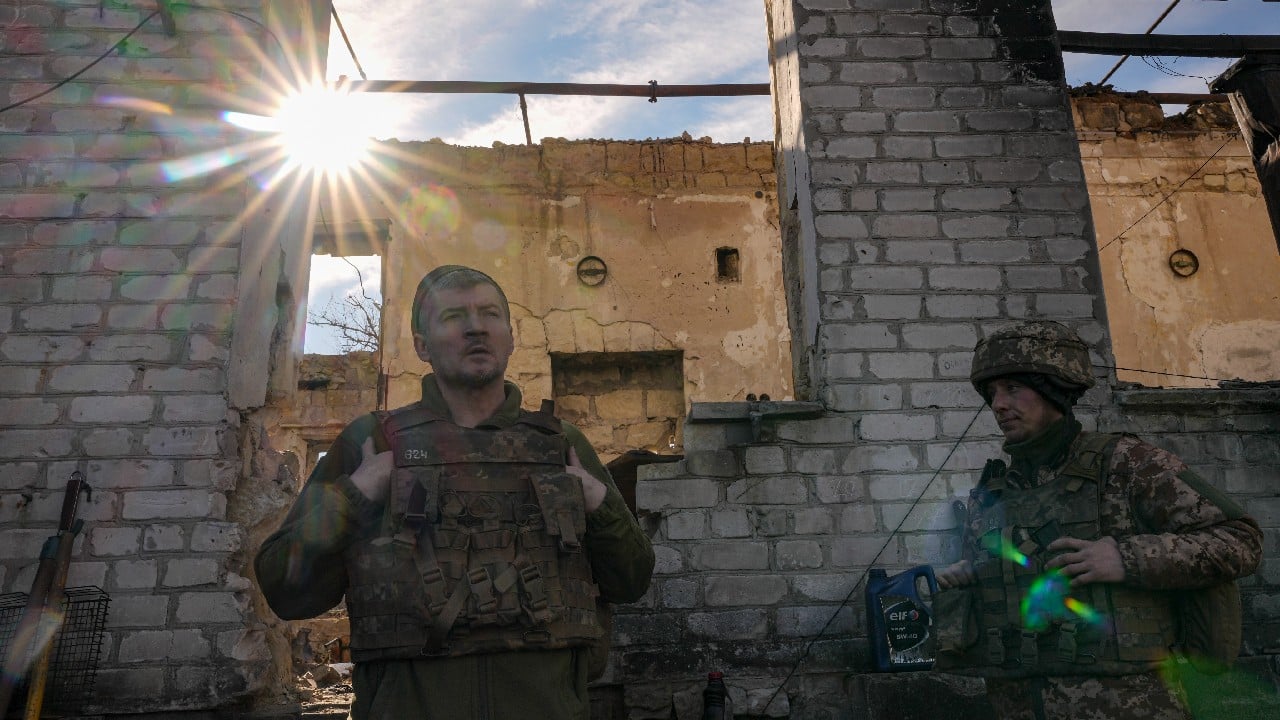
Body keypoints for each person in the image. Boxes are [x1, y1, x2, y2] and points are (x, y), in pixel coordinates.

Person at [256, 265, 655, 720]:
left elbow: (633, 579)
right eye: (453, 317)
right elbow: (286, 593)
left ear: (510, 337)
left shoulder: (560, 444)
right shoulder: (373, 442)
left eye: (489, 314)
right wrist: (356, 493)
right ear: (422, 345)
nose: (475, 327)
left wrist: (598, 505)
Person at [934, 320, 1262, 720]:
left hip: (1130, 704)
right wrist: (970, 576)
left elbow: (1240, 540)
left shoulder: (1126, 464)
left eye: (1014, 388)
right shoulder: (994, 490)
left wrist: (1127, 558)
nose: (999, 404)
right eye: (992, 394)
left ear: (1053, 389)